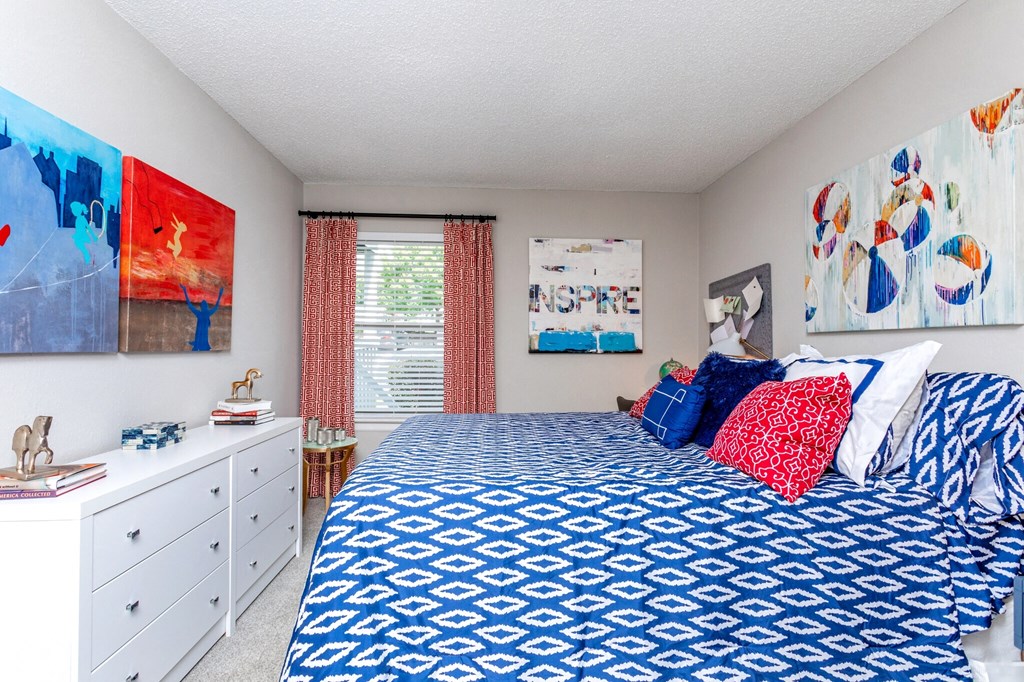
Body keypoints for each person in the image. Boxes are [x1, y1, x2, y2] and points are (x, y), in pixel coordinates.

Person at [180, 284, 223, 351]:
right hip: (203, 341)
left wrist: (185, 291)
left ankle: (195, 343)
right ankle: (196, 343)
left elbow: (190, 305)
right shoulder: (207, 313)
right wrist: (220, 295)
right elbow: (216, 307)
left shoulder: (199, 314)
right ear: (206, 307)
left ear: (201, 307)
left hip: (199, 340)